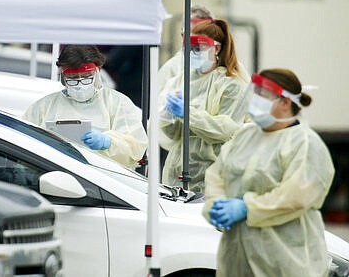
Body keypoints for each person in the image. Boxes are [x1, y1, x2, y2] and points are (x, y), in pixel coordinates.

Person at [203, 69, 335, 276]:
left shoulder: (306, 144)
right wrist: (215, 203)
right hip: (237, 257)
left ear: (285, 102)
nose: (255, 99)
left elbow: (296, 196)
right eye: (255, 92)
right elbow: (217, 174)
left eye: (262, 95)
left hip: (286, 259)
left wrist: (248, 207)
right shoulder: (245, 136)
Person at [158, 19, 248, 192]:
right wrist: (169, 115)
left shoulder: (230, 84)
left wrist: (188, 114)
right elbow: (173, 135)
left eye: (199, 48)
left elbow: (226, 129)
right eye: (190, 48)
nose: (193, 52)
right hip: (178, 170)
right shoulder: (183, 79)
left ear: (217, 48)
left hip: (214, 172)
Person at [24, 45, 148, 169]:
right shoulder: (44, 106)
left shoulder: (117, 103)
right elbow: (24, 141)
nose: (80, 84)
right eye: (72, 78)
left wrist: (108, 143)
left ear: (98, 71)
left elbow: (136, 149)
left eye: (86, 77)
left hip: (107, 178)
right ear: (62, 78)